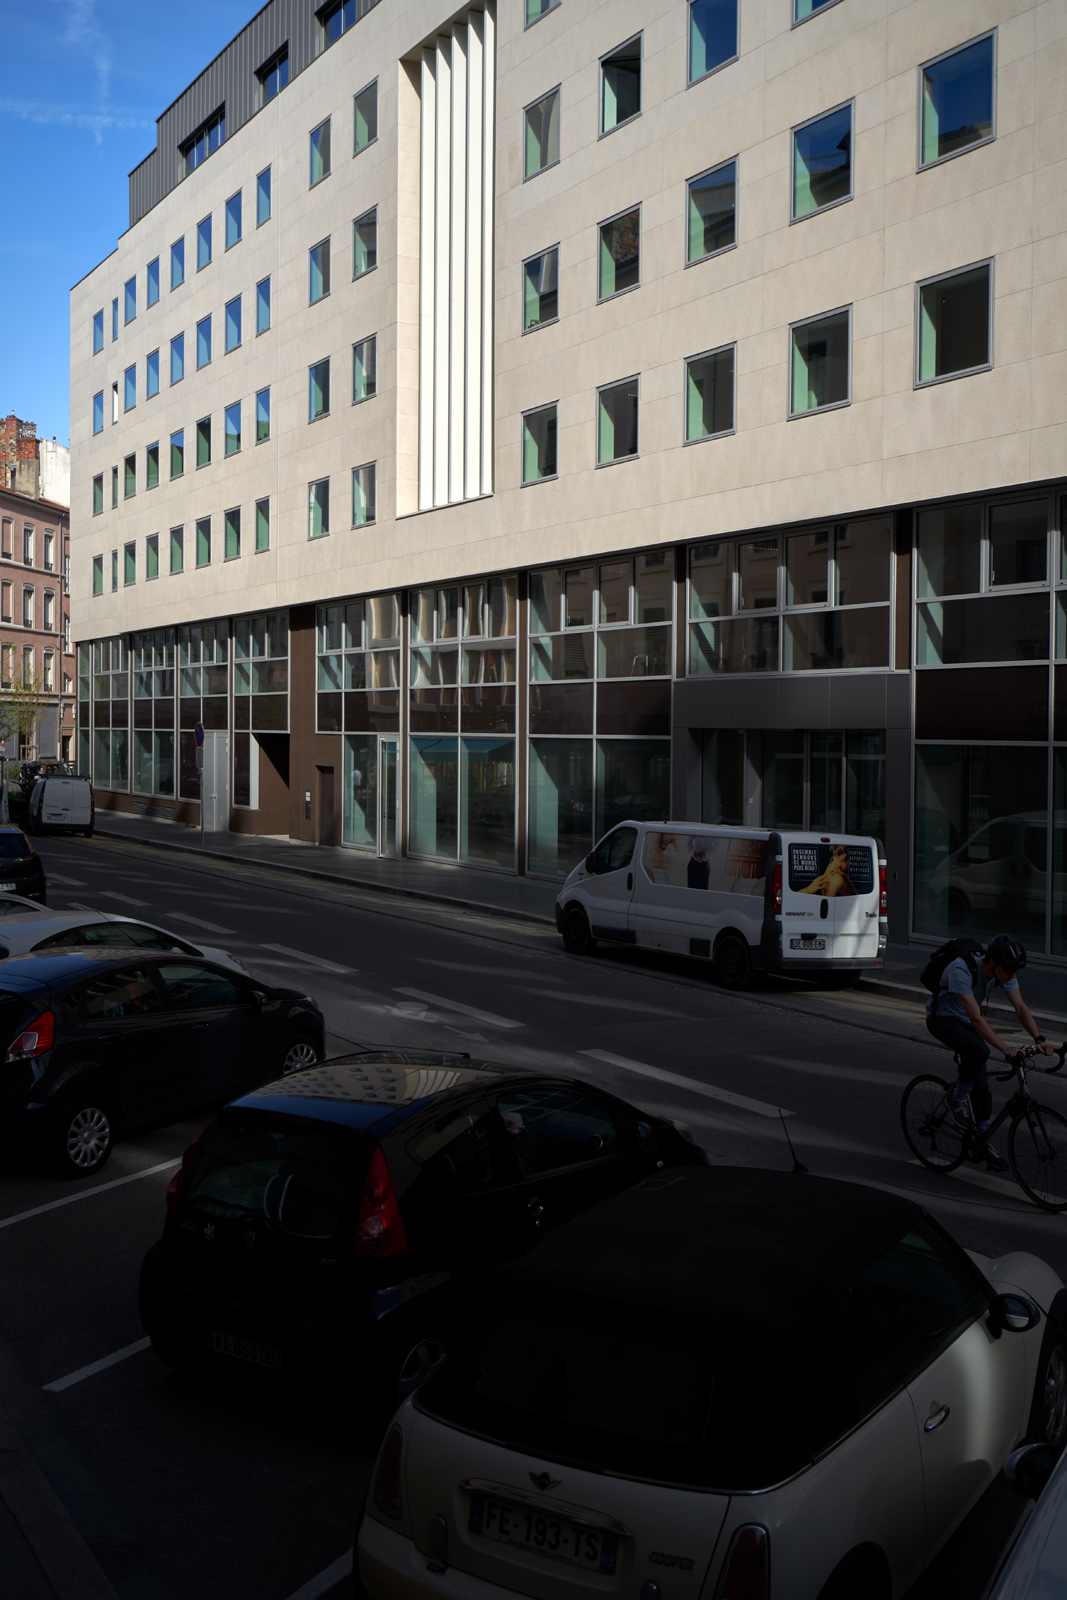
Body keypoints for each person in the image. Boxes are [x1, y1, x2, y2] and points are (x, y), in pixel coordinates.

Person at [926, 934, 1054, 1171]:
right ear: (992, 962)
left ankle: (982, 1140)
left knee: (982, 1084)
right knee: (979, 1051)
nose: (1013, 975)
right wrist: (1005, 1048)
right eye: (1010, 970)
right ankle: (956, 1098)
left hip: (966, 1021)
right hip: (943, 1019)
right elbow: (975, 1017)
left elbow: (1020, 1006)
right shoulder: (961, 969)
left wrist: (1039, 1039)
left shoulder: (1004, 971)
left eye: (1016, 971)